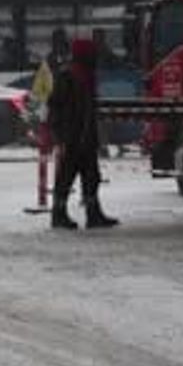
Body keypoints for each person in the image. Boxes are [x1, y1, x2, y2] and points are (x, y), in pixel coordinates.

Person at [48, 38, 119, 230]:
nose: (95, 57)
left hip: (86, 136)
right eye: (91, 54)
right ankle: (59, 214)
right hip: (72, 136)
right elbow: (55, 107)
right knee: (66, 176)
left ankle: (93, 213)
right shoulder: (67, 76)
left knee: (91, 176)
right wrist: (60, 136)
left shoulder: (87, 76)